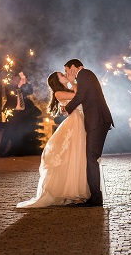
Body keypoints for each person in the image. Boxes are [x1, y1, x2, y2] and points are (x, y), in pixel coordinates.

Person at [17, 72, 89, 208]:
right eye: (62, 75)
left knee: (78, 155)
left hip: (79, 121)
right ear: (57, 80)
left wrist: (71, 82)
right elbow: (79, 96)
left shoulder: (67, 89)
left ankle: (78, 191)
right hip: (74, 123)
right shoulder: (58, 93)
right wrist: (72, 81)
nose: (65, 75)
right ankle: (73, 192)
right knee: (71, 155)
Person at [64, 59, 113, 207]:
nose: (67, 74)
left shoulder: (84, 73)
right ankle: (95, 196)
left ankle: (96, 198)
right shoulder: (85, 75)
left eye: (67, 70)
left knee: (91, 157)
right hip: (98, 120)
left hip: (97, 120)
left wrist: (66, 109)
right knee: (92, 157)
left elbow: (80, 96)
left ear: (74, 67)